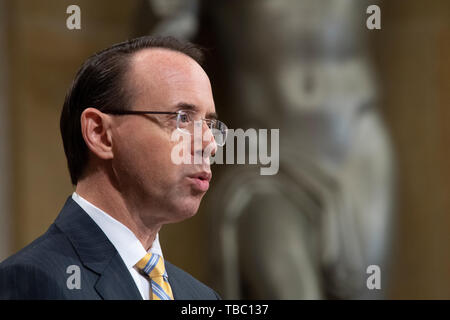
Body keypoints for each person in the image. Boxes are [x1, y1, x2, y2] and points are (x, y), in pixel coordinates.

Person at [0, 35, 225, 300]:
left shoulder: (202, 298)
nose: (210, 144)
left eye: (210, 124)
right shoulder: (34, 281)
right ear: (100, 133)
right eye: (182, 118)